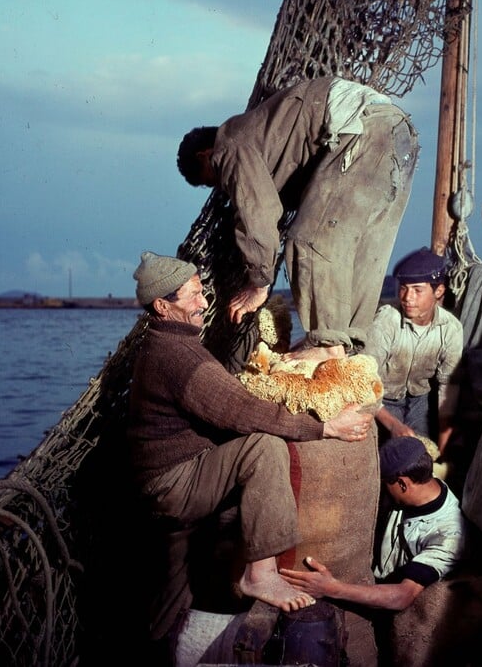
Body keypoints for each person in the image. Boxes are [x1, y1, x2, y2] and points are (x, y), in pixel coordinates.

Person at [126, 251, 374, 631]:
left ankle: (165, 646)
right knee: (263, 447)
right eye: (193, 295)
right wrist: (324, 428)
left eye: (201, 292)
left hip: (160, 484)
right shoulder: (177, 356)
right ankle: (260, 573)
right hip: (174, 484)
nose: (203, 303)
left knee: (169, 606)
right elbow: (243, 410)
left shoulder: (165, 343)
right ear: (162, 305)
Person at [177, 76, 418, 362]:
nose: (221, 186)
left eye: (211, 179)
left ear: (205, 154)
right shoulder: (263, 133)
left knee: (308, 241)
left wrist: (259, 282)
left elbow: (258, 209)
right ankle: (348, 345)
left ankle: (327, 342)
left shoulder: (228, 145)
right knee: (361, 251)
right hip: (399, 133)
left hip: (363, 130)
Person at [280, 436, 468, 610]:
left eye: (385, 483)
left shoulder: (448, 535)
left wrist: (331, 588)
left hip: (398, 611)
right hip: (373, 584)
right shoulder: (421, 486)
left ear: (402, 484)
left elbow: (403, 596)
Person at [363, 247, 463, 456]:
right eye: (403, 288)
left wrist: (442, 453)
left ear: (438, 291)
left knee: (422, 455)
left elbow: (448, 394)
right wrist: (392, 425)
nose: (407, 297)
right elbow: (365, 381)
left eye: (417, 290)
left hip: (421, 400)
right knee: (386, 456)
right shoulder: (386, 320)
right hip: (381, 399)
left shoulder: (451, 329)